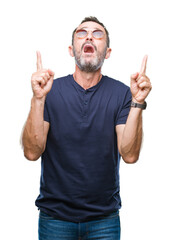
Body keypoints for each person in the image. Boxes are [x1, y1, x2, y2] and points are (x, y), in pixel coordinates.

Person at [22, 16, 152, 240]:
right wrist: (38, 99)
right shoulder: (49, 91)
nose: (90, 36)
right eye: (82, 33)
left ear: (107, 52)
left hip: (104, 220)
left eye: (97, 34)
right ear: (72, 50)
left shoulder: (122, 93)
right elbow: (32, 152)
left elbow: (129, 155)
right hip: (55, 219)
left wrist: (137, 102)